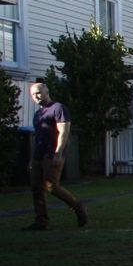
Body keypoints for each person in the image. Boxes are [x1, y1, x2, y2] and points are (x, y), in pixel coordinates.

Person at [27, 80, 88, 229]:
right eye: (33, 95)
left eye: (39, 93)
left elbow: (64, 131)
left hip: (51, 155)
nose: (36, 96)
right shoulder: (38, 114)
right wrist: (32, 158)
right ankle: (41, 221)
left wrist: (58, 153)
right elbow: (39, 136)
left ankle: (78, 208)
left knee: (52, 187)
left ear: (47, 92)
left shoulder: (58, 108)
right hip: (38, 156)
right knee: (36, 188)